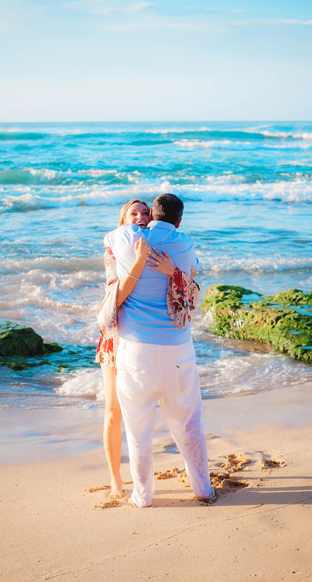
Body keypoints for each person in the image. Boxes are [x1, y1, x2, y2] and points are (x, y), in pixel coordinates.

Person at [105, 193, 213, 507]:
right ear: (179, 221)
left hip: (136, 350)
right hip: (178, 349)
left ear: (150, 214)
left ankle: (143, 496)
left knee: (138, 429)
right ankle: (203, 489)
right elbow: (192, 279)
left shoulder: (123, 237)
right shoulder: (185, 243)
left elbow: (108, 240)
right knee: (189, 422)